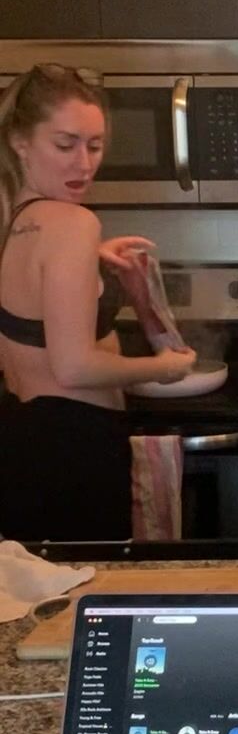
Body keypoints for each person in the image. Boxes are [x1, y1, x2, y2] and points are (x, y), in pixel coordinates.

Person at [0, 63, 196, 542]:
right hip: (74, 451)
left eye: (95, 145)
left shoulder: (12, 221)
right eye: (65, 145)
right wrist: (163, 367)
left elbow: (30, 321)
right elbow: (73, 367)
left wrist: (90, 262)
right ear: (21, 142)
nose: (84, 164)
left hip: (23, 446)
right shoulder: (72, 224)